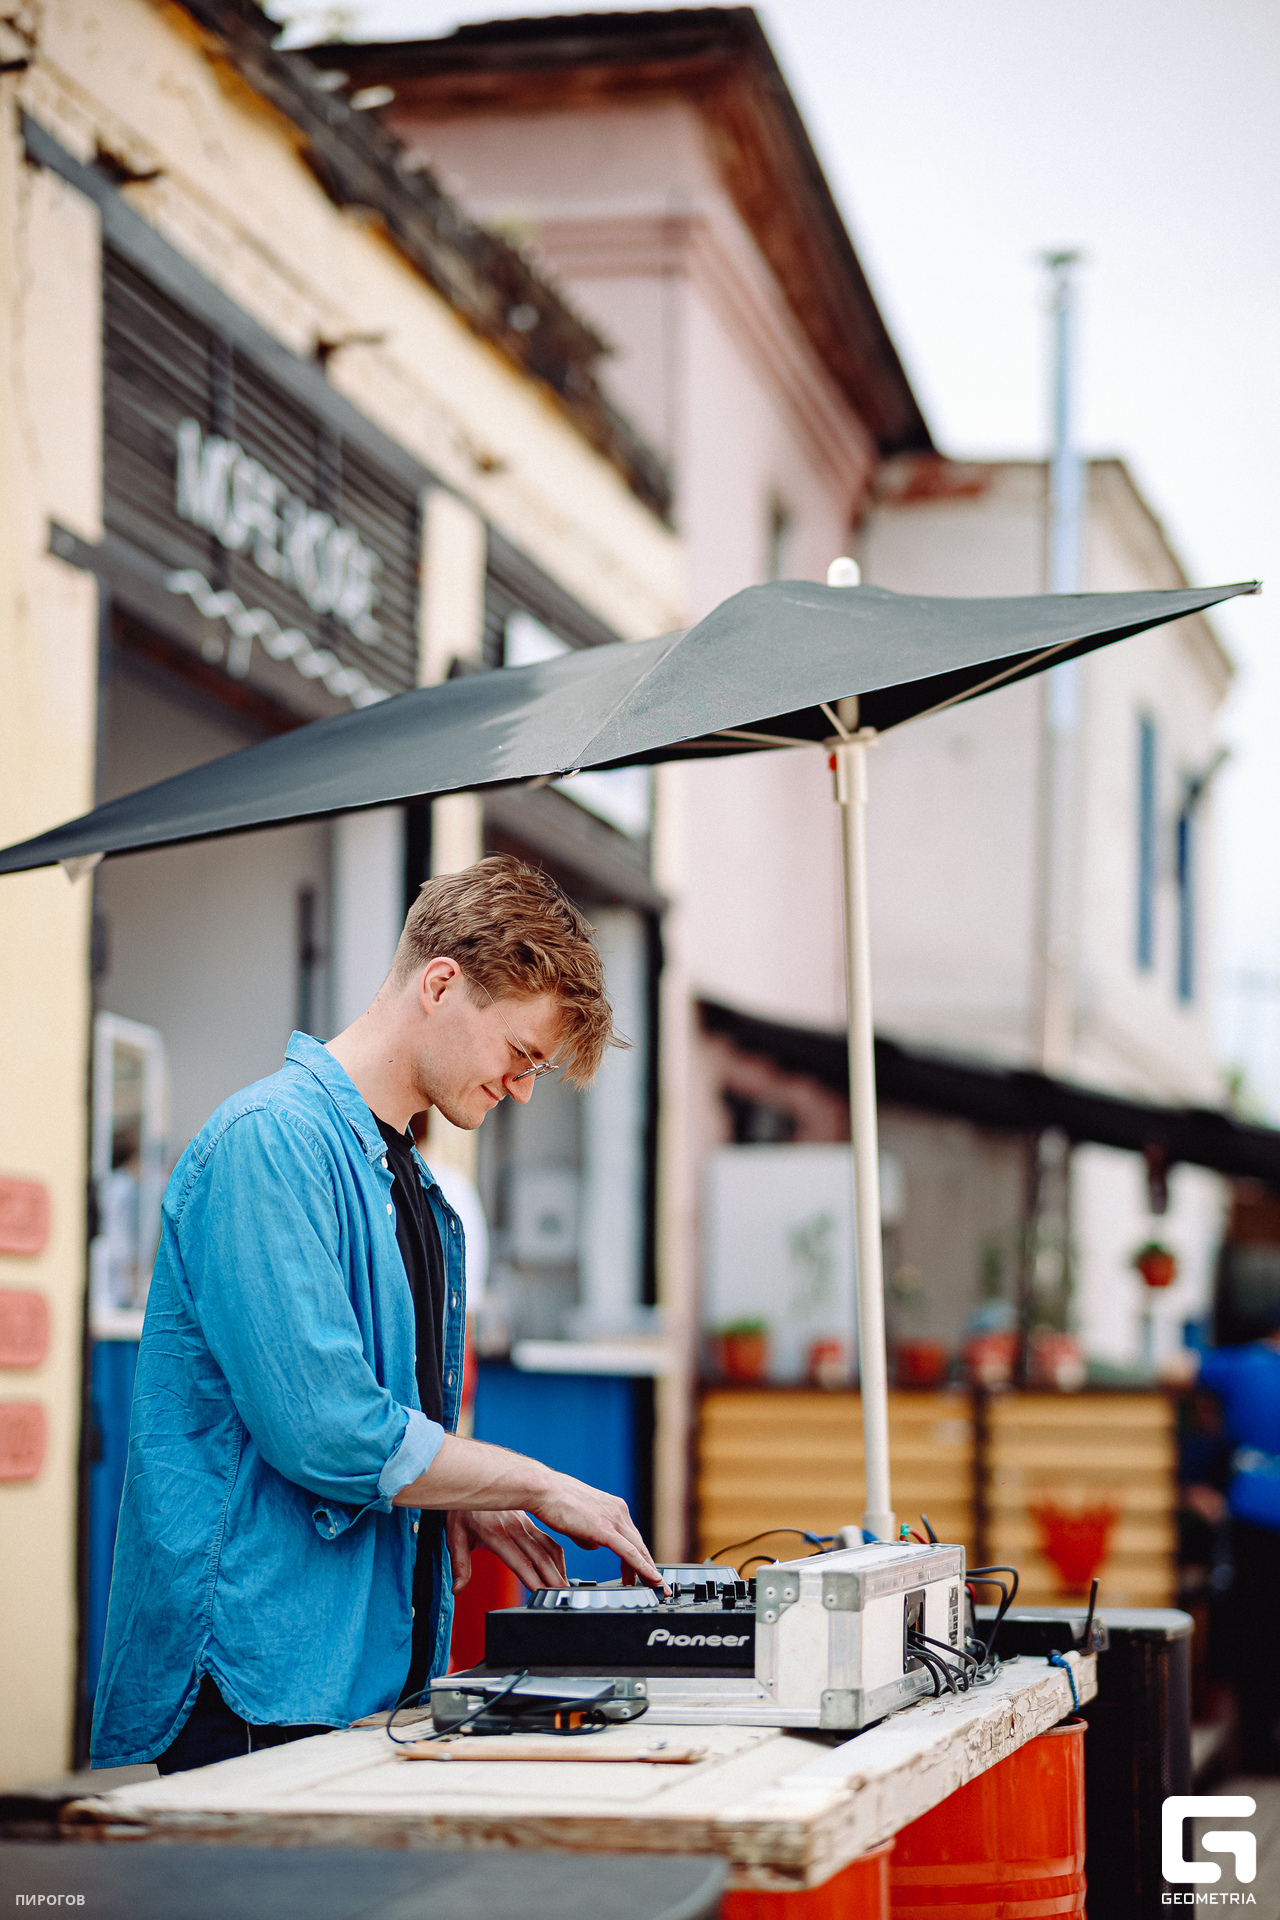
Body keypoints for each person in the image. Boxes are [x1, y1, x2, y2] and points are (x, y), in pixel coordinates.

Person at [91, 856, 661, 1772]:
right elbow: (327, 1430)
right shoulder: (267, 1143)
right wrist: (537, 1484)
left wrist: (457, 1497)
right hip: (255, 1679)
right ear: (442, 984)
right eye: (519, 1054)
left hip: (357, 1677)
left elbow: (386, 1439)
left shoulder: (418, 1190)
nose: (520, 1089)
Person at [1193, 1329, 1280, 1773]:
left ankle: (1259, 1752)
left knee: (1255, 1629)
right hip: (1256, 1515)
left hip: (1254, 1514)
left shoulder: (1246, 1366)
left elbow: (1173, 1367)